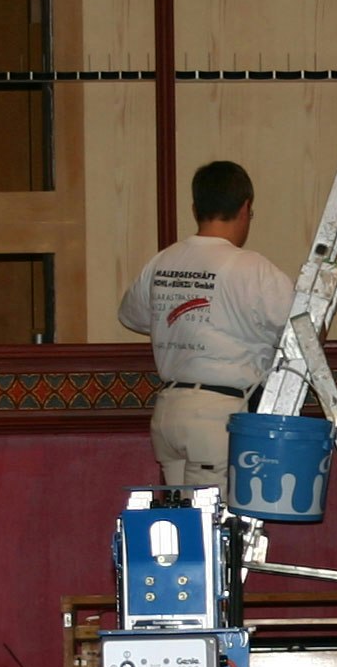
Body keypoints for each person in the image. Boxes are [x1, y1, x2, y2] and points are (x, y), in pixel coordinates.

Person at [117, 159, 294, 489]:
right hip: (219, 415)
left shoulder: (163, 261)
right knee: (220, 529)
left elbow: (133, 316)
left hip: (169, 411)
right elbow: (300, 337)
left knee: (184, 522)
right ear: (246, 207)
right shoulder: (252, 269)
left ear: (195, 208)